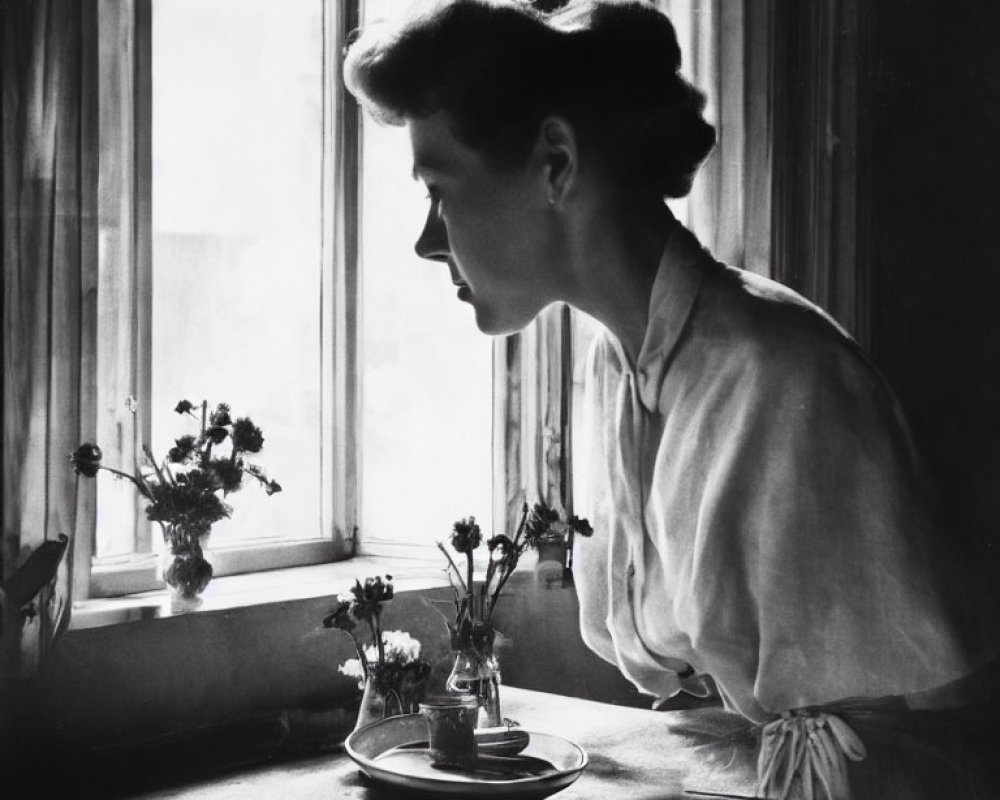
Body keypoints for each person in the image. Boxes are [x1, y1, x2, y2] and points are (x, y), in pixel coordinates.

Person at [344, 1, 1000, 796]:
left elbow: (939, 718)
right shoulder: (615, 369)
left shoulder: (778, 369)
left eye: (438, 188)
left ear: (556, 162)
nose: (427, 240)